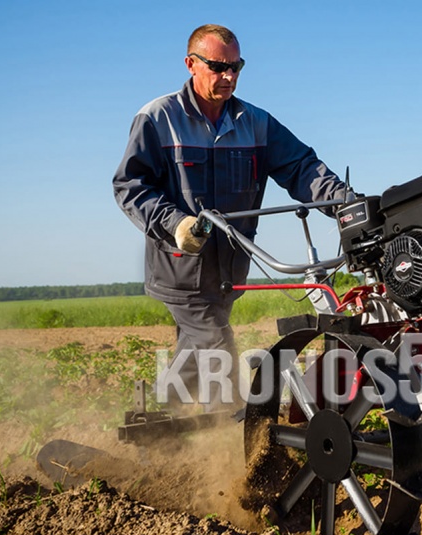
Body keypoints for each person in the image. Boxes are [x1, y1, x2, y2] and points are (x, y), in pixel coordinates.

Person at [113, 24, 349, 412]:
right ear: (191, 64)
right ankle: (237, 448)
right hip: (181, 269)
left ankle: (156, 431)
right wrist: (176, 224)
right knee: (216, 349)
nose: (229, 77)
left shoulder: (255, 123)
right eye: (218, 67)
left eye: (236, 67)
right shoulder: (158, 118)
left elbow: (302, 169)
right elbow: (130, 185)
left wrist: (346, 205)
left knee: (194, 357)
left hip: (228, 272)